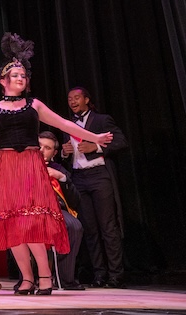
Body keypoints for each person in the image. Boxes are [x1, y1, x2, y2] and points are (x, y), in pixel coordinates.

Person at [0, 34, 113, 296]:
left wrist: (95, 137)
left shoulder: (35, 105)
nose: (21, 79)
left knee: (31, 223)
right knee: (12, 223)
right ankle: (27, 278)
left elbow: (65, 124)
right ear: (3, 81)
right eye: (15, 76)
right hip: (5, 166)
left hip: (30, 165)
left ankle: (44, 276)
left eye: (23, 75)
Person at [61, 86, 128, 288]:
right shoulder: (67, 125)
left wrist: (96, 147)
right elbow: (68, 153)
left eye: (77, 98)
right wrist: (64, 153)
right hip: (79, 178)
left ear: (87, 100)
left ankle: (116, 274)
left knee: (108, 227)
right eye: (70, 99)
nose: (73, 101)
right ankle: (99, 274)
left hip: (99, 176)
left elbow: (121, 141)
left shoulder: (101, 120)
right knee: (89, 229)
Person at [39, 131, 84, 290]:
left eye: (47, 148)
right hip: (31, 211)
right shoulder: (23, 167)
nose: (42, 151)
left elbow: (75, 200)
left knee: (74, 226)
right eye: (39, 146)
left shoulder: (59, 169)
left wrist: (62, 178)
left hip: (56, 210)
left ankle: (65, 279)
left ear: (54, 153)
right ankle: (28, 278)